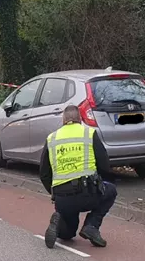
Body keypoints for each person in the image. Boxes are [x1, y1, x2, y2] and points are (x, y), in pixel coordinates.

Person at [39, 105, 117, 248]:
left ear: (63, 120)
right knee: (111, 190)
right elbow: (104, 165)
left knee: (68, 234)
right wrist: (101, 182)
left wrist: (54, 193)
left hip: (62, 198)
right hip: (88, 193)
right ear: (80, 119)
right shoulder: (89, 133)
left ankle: (59, 221)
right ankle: (91, 226)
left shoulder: (52, 138)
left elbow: (43, 173)